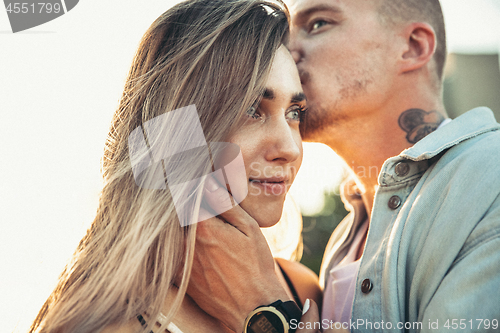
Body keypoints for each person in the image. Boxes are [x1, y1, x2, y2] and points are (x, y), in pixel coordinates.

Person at [189, 0, 500, 332]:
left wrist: (263, 311)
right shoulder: (346, 243)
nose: (288, 49)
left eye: (319, 24)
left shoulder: (488, 184)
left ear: (412, 47)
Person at [29, 1, 322, 332]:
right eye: (252, 109)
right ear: (180, 129)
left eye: (294, 112)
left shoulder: (300, 289)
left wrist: (266, 308)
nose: (290, 148)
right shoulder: (112, 323)